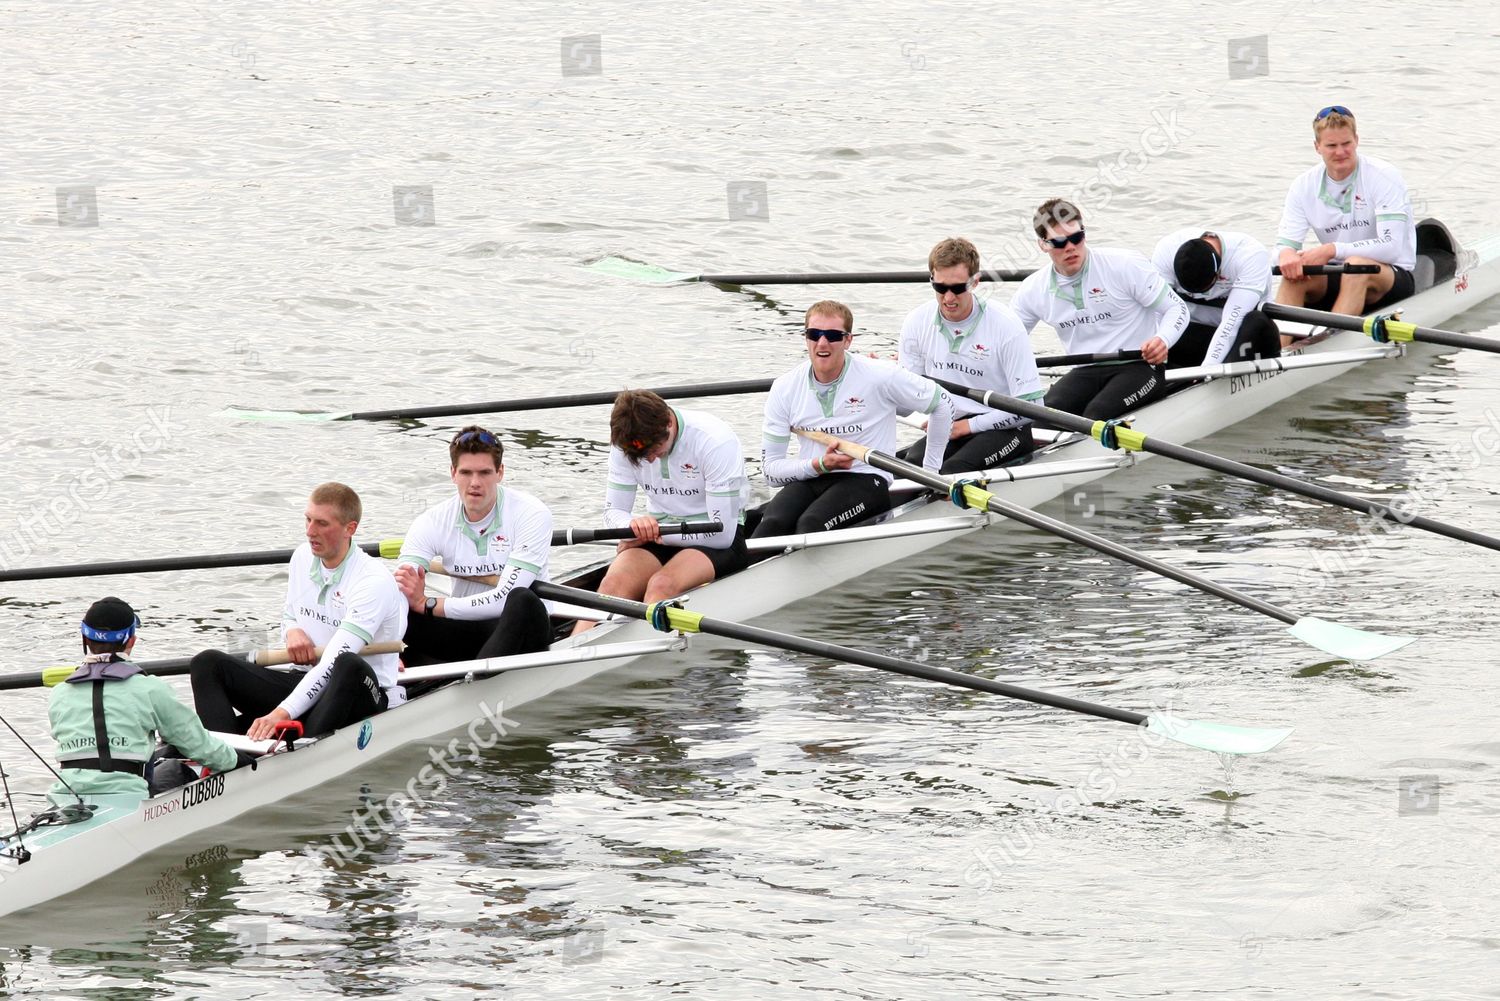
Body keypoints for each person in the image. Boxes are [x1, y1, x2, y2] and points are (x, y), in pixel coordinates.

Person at [190, 483, 407, 740]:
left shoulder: (372, 581)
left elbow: (331, 663)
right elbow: (290, 614)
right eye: (307, 519)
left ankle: (301, 754)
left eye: (322, 524)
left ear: (350, 528)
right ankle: (226, 758)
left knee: (347, 664)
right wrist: (291, 630)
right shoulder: (302, 557)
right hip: (304, 681)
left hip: (361, 692)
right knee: (207, 663)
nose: (310, 531)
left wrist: (281, 713)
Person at [753, 299, 955, 538]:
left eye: (833, 336)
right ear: (806, 337)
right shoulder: (784, 387)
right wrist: (818, 465)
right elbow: (771, 471)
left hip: (867, 478)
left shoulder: (880, 375)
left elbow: (943, 402)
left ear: (848, 340)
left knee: (811, 524)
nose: (822, 343)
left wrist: (931, 474)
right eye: (814, 334)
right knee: (771, 525)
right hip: (814, 475)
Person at [577, 390, 749, 630]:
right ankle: (568, 657)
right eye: (639, 454)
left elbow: (723, 534)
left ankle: (642, 651)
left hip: (715, 540)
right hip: (659, 534)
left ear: (669, 422)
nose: (648, 461)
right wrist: (632, 528)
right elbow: (613, 512)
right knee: (609, 589)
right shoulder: (626, 443)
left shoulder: (714, 441)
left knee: (661, 585)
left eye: (652, 449)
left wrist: (651, 534)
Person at [1011, 199, 1190, 419]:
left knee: (1098, 413)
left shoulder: (1124, 265)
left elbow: (1177, 308)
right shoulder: (1033, 289)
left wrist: (1162, 340)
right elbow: (1007, 341)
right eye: (1059, 242)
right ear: (1042, 244)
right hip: (1084, 370)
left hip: (1139, 366)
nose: (1070, 247)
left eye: (1077, 238)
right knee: (1043, 416)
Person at [48, 596, 238, 798]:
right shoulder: (150, 689)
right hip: (130, 796)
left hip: (66, 795)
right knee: (175, 767)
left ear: (85, 639)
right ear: (131, 641)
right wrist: (234, 761)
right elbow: (196, 743)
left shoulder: (59, 693)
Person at [394, 427, 553, 664]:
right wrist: (390, 645)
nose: (475, 483)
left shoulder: (531, 513)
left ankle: (477, 685)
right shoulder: (432, 521)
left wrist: (428, 603)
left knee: (522, 600)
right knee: (399, 605)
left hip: (520, 630)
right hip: (465, 630)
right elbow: (402, 591)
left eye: (485, 473)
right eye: (466, 472)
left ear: (500, 473)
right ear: (453, 473)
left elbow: (502, 599)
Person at [898, 237, 1044, 472]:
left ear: (975, 282)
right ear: (931, 280)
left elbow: (1032, 404)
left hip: (1006, 426)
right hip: (949, 424)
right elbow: (907, 400)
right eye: (940, 288)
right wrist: (880, 377)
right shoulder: (916, 322)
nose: (948, 298)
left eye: (958, 288)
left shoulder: (1006, 325)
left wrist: (970, 426)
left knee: (952, 472)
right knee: (910, 469)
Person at [1274, 105, 1416, 326]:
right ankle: (1277, 353)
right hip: (1341, 270)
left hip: (1392, 275)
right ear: (1317, 147)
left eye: (1346, 144)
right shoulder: (1303, 185)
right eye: (1331, 145)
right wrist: (1286, 257)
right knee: (1294, 276)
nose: (1340, 152)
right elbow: (1285, 245)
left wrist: (1332, 249)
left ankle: (1326, 346)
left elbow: (1392, 247)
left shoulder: (1383, 176)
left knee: (1356, 266)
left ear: (1356, 140)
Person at [1151, 228, 1281, 368]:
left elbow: (1232, 323)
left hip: (1240, 333)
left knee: (1256, 320)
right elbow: (1156, 314)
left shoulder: (1250, 255)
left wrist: (1208, 369)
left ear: (1218, 274)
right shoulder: (1166, 250)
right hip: (1194, 332)